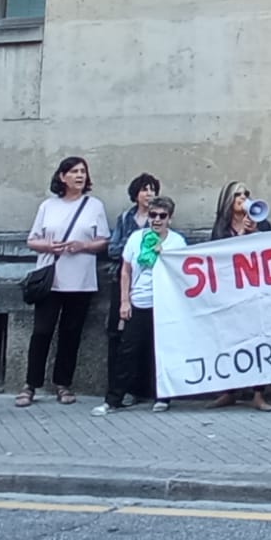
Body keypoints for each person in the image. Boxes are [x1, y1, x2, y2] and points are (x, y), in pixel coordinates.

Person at [16, 156, 110, 409]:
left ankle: (63, 384)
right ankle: (30, 384)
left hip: (80, 280)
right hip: (51, 278)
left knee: (71, 333)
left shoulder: (94, 206)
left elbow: (104, 241)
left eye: (83, 172)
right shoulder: (48, 205)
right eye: (74, 171)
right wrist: (49, 245)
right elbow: (32, 240)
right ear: (62, 177)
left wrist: (84, 246)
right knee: (42, 332)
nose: (80, 176)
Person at [94, 195, 185, 416]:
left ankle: (163, 396)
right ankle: (113, 399)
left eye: (162, 216)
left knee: (161, 351)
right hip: (139, 301)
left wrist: (165, 256)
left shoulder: (176, 242)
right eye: (153, 215)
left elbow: (183, 272)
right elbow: (126, 270)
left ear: (169, 219)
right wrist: (125, 301)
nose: (157, 220)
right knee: (127, 351)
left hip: (164, 305)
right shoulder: (136, 238)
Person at [207, 180, 271, 411]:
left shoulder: (261, 223)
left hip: (255, 292)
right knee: (229, 341)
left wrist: (254, 233)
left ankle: (258, 393)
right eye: (238, 194)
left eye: (246, 193)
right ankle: (230, 391)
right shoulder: (220, 229)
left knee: (258, 340)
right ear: (228, 200)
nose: (244, 198)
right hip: (229, 293)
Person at [102, 172, 160, 411]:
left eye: (153, 189)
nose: (149, 194)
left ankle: (143, 388)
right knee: (119, 334)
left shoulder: (158, 218)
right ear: (135, 194)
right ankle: (117, 389)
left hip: (150, 287)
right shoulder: (125, 218)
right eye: (145, 189)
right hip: (124, 281)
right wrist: (133, 246)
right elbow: (114, 249)